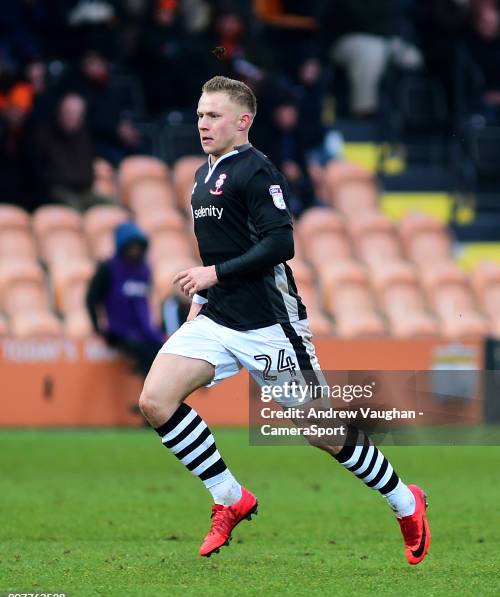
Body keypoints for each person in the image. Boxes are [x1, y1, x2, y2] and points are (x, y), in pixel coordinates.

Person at [138, 76, 431, 563]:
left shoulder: (259, 171)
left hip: (269, 322)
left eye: (212, 116)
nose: (202, 124)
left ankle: (406, 502)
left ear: (242, 121)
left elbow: (281, 244)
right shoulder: (202, 174)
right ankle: (231, 499)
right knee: (155, 400)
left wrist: (212, 274)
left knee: (322, 431)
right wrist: (203, 298)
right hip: (217, 318)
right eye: (199, 115)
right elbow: (220, 242)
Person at [86, 221, 165, 377]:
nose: (135, 251)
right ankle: (148, 398)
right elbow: (91, 298)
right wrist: (97, 327)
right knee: (144, 353)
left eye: (138, 246)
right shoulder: (107, 268)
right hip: (118, 330)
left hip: (143, 329)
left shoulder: (145, 270)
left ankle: (159, 396)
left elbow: (144, 303)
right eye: (131, 246)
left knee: (163, 351)